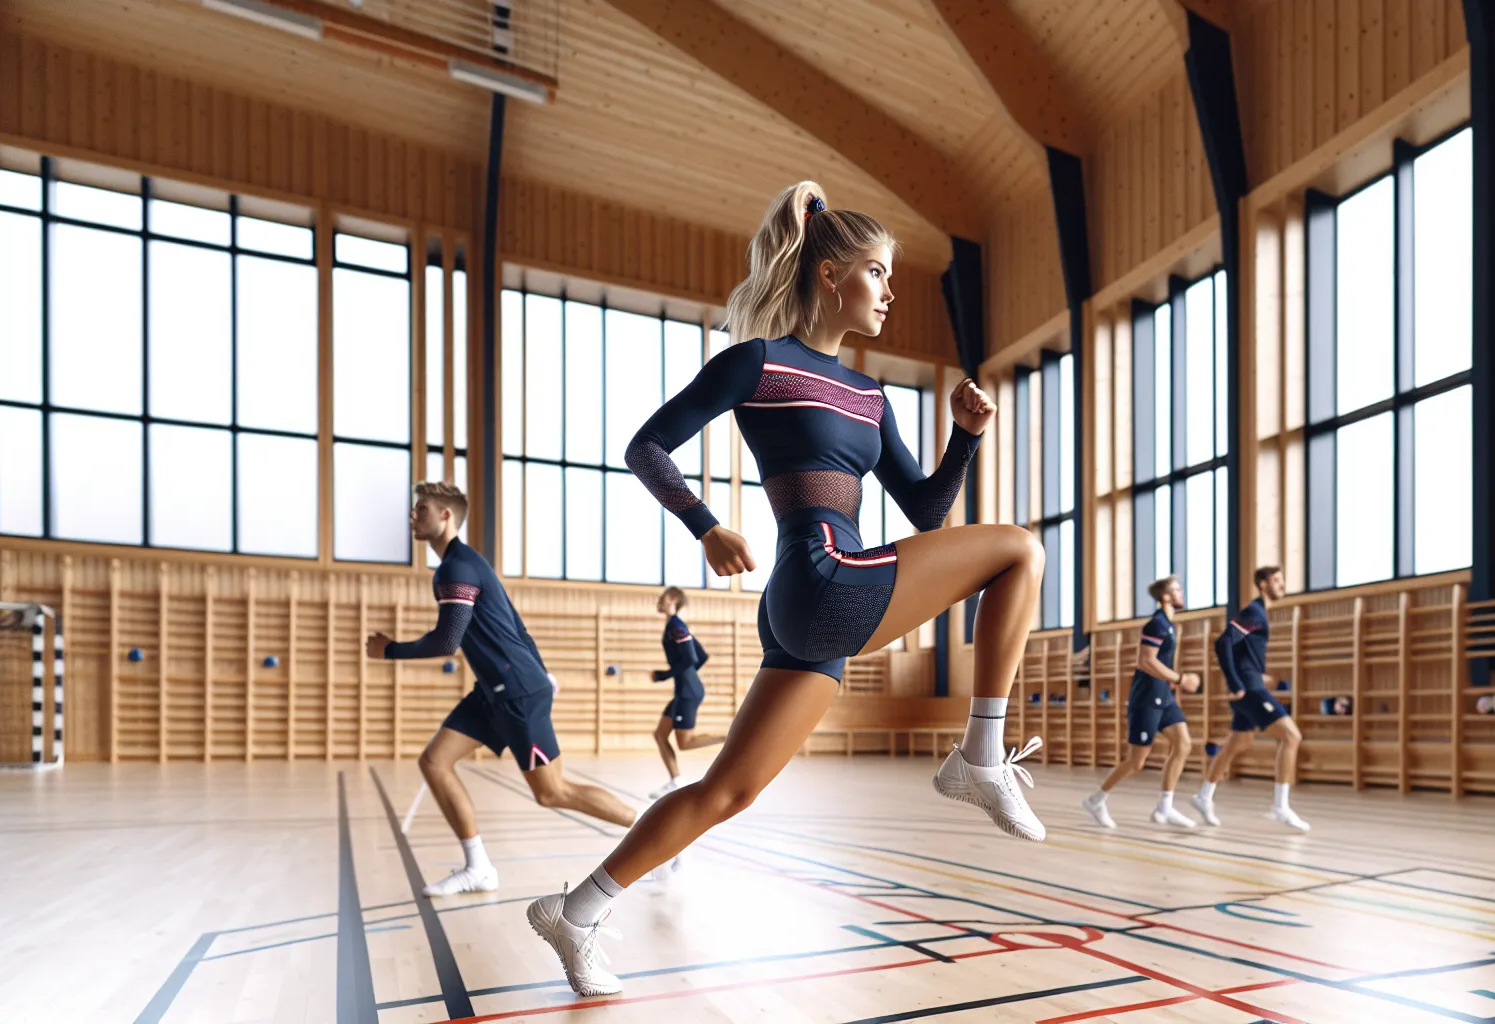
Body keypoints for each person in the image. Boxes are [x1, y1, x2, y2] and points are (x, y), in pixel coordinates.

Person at [524, 182, 1046, 997]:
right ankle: (980, 756)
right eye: (877, 273)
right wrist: (705, 524)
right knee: (1020, 550)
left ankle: (576, 911)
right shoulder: (757, 363)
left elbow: (928, 509)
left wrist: (965, 437)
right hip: (822, 578)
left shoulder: (871, 397)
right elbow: (647, 447)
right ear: (831, 275)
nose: (889, 293)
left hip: (815, 605)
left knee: (724, 791)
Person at [366, 481, 638, 896]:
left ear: (445, 516)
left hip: (515, 692)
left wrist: (390, 650)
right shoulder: (466, 564)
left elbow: (447, 641)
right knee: (435, 762)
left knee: (553, 792)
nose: (412, 516)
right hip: (495, 691)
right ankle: (479, 869)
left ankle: (659, 832)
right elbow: (517, 624)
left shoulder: (457, 567)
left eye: (421, 509)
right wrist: (543, 672)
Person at [1191, 565, 1309, 832]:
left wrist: (1255, 674)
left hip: (1251, 683)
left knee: (1237, 742)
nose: (1282, 585)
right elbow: (1223, 643)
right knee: (1292, 737)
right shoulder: (1254, 612)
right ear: (1264, 584)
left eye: (1282, 579)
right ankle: (1280, 806)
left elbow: (1242, 652)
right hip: (1248, 690)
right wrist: (1238, 682)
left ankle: (1204, 796)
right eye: (1277, 581)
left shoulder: (1259, 614)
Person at [1080, 576, 1202, 829]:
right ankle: (1096, 800)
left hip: (1165, 698)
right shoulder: (1156, 625)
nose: (1182, 593)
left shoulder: (1169, 625)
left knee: (1183, 744)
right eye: (1176, 590)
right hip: (1146, 699)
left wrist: (1174, 683)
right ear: (1165, 597)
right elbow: (1145, 660)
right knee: (1136, 762)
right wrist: (1180, 679)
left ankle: (1165, 808)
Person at [647, 586, 724, 798]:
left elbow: (691, 658)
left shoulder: (676, 626)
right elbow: (701, 656)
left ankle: (727, 738)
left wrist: (664, 675)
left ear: (672, 599)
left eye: (663, 597)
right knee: (660, 735)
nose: (660, 600)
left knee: (685, 743)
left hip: (688, 691)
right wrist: (685, 676)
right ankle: (676, 780)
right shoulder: (676, 626)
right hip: (684, 689)